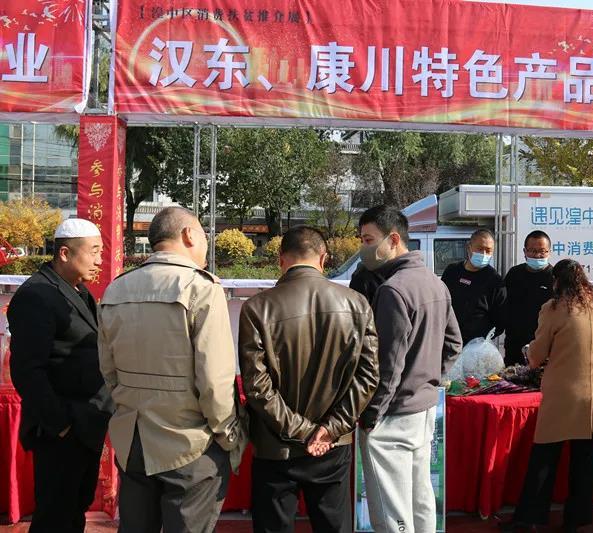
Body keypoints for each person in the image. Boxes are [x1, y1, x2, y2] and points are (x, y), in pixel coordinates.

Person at [98, 207, 242, 533]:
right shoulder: (201, 288)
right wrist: (228, 434)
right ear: (189, 235)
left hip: (133, 438)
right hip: (189, 443)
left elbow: (108, 370)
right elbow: (215, 381)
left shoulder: (116, 289)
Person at [239, 225, 379, 533]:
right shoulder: (357, 304)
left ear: (281, 259)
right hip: (332, 445)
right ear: (324, 259)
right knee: (334, 526)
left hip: (276, 445)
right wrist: (329, 429)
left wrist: (304, 431)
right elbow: (368, 376)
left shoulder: (257, 308)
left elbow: (257, 387)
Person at [357, 206, 463, 533]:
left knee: (393, 511)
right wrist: (429, 381)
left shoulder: (393, 290)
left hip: (393, 413)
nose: (363, 247)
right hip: (424, 407)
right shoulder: (434, 283)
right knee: (420, 499)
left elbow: (388, 365)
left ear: (393, 239)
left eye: (368, 240)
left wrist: (372, 413)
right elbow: (454, 344)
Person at [500, 259, 593, 533]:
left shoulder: (553, 308)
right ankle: (575, 520)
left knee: (544, 458)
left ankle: (528, 519)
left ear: (557, 281)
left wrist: (532, 353)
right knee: (585, 462)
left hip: (562, 393)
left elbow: (537, 355)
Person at [8, 218, 113, 533]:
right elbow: (27, 370)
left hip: (85, 425)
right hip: (62, 430)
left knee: (74, 510)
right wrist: (62, 425)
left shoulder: (78, 291)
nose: (99, 260)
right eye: (93, 251)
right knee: (55, 516)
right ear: (65, 253)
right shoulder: (37, 295)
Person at [441, 228, 506, 344]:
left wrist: (481, 339)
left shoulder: (495, 281)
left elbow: (500, 321)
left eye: (488, 251)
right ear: (469, 247)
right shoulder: (452, 271)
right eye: (480, 249)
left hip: (477, 347)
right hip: (448, 342)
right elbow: (441, 303)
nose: (484, 254)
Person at [504, 231, 554, 366]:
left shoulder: (555, 278)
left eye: (542, 251)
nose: (537, 255)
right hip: (514, 345)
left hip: (545, 346)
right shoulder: (514, 274)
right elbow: (503, 305)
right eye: (532, 251)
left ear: (549, 252)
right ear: (525, 252)